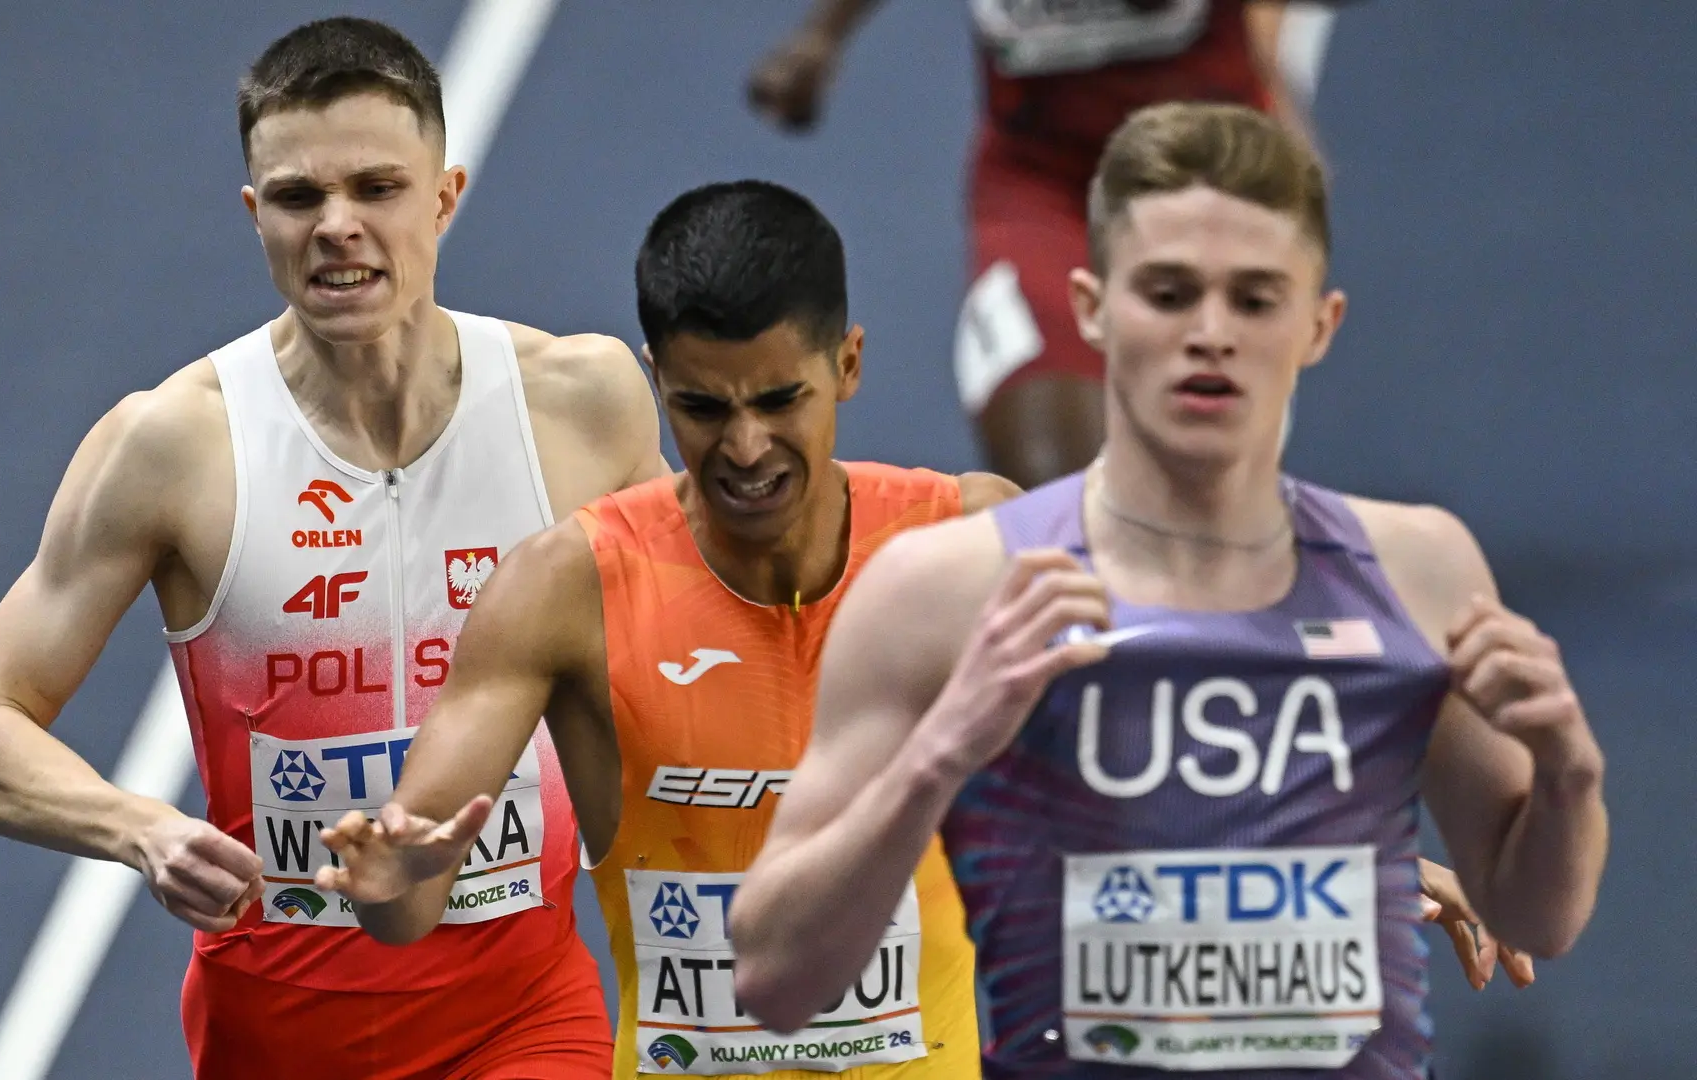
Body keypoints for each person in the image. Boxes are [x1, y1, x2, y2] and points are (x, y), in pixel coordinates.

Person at [727, 102, 1604, 1078]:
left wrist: (1569, 770)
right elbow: (772, 981)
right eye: (1170, 293)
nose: (1211, 334)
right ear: (1093, 307)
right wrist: (941, 753)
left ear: (1320, 323)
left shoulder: (1419, 568)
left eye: (1255, 299)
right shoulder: (950, 591)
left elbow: (1539, 917)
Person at [0, 17, 666, 1079]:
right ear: (254, 215)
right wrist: (140, 828)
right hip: (277, 1034)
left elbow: (706, 628)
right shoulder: (174, 445)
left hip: (524, 1020)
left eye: (377, 188)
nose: (338, 227)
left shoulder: (579, 405)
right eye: (298, 197)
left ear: (446, 197)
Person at [314, 178, 1000, 1077]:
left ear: (849, 365)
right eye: (704, 410)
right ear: (658, 380)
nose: (747, 449)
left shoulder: (968, 549)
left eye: (780, 400)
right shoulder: (566, 589)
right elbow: (409, 897)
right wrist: (389, 882)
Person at [749, 0, 1326, 488]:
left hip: (1206, 175)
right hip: (1041, 182)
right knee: (1056, 481)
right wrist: (821, 37)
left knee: (1193, 483)